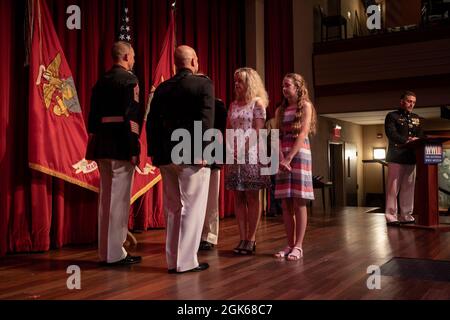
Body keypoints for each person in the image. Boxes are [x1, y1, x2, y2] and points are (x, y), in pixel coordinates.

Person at [147, 45, 214, 273]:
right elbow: (206, 121)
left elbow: (152, 122)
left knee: (174, 208)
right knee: (192, 208)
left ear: (176, 64)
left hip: (166, 154)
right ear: (194, 61)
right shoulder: (203, 84)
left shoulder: (163, 88)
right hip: (191, 152)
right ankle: (186, 262)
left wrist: (155, 154)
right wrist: (204, 151)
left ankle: (173, 261)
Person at [87, 41, 142, 266]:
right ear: (127, 56)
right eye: (134, 57)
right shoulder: (130, 80)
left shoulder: (101, 81)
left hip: (102, 144)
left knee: (106, 201)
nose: (134, 61)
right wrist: (134, 148)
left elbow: (91, 120)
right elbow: (132, 118)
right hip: (121, 145)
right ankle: (115, 254)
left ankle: (106, 252)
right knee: (119, 201)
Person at [225, 67, 271, 255]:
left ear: (249, 83)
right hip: (234, 155)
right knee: (238, 196)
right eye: (235, 81)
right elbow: (228, 129)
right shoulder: (234, 104)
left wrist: (241, 150)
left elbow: (257, 130)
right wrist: (229, 150)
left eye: (240, 81)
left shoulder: (257, 103)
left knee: (252, 197)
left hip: (252, 154)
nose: (236, 84)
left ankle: (251, 239)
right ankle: (242, 238)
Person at [274, 73, 317, 261]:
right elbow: (276, 136)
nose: (284, 89)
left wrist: (289, 158)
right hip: (283, 155)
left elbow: (303, 132)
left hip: (299, 154)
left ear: (298, 87)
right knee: (285, 202)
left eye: (288, 85)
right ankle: (289, 244)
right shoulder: (279, 110)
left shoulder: (306, 106)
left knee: (299, 200)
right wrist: (281, 157)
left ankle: (298, 246)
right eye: (283, 86)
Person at [384, 91, 425, 225]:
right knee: (393, 189)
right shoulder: (392, 116)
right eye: (409, 101)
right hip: (396, 156)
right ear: (402, 101)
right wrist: (407, 141)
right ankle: (391, 216)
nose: (411, 104)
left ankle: (406, 215)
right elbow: (391, 134)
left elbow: (420, 134)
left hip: (411, 157)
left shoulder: (416, 117)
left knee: (408, 187)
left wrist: (416, 139)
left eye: (413, 102)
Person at [199, 98, 228, 251]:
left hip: (212, 156)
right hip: (193, 157)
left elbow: (220, 131)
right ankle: (196, 235)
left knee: (211, 200)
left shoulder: (217, 104)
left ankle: (209, 236)